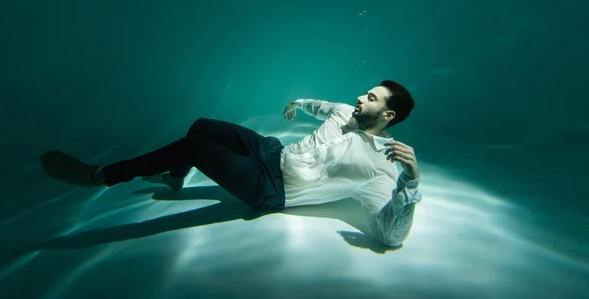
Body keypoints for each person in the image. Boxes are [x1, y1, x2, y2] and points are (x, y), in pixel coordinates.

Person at [41, 80, 421, 248]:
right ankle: (174, 179)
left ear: (386, 114)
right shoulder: (343, 111)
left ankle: (100, 176)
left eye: (370, 97)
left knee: (193, 145)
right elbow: (319, 106)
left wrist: (411, 182)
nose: (359, 96)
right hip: (273, 151)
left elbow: (390, 236)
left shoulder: (381, 164)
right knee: (203, 125)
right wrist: (298, 102)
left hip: (272, 188)